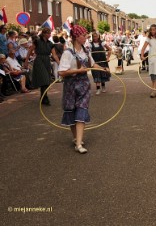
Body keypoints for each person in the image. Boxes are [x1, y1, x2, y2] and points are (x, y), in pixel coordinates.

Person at [58, 25, 109, 154]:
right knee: (71, 111)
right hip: (70, 86)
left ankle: (79, 143)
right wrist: (78, 70)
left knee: (81, 110)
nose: (86, 37)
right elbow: (62, 72)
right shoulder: (67, 53)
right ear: (76, 37)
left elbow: (92, 64)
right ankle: (76, 138)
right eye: (83, 35)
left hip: (84, 85)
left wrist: (102, 68)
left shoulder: (86, 51)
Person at [24, 28, 57, 106]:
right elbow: (30, 50)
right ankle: (45, 98)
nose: (49, 35)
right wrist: (26, 61)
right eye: (48, 33)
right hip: (39, 60)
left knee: (47, 81)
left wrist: (60, 64)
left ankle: (43, 97)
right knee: (44, 79)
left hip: (47, 61)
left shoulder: (50, 43)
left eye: (50, 33)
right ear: (44, 33)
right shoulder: (37, 41)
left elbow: (54, 55)